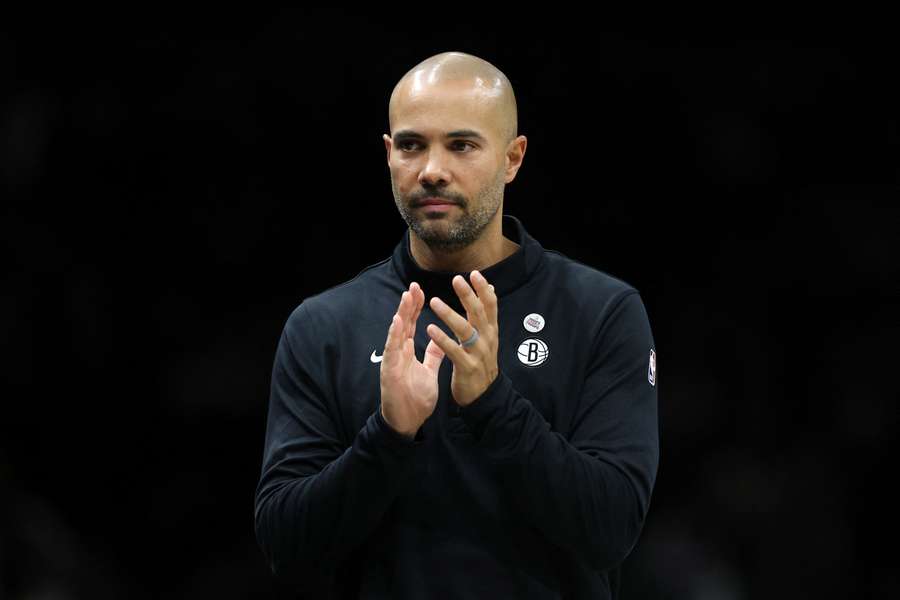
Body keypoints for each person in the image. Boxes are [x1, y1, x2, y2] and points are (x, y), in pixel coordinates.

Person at [254, 51, 659, 599]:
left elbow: (611, 531)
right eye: (411, 145)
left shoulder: (600, 311)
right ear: (388, 154)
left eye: (462, 145)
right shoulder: (323, 326)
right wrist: (388, 437)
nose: (432, 170)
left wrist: (493, 405)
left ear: (513, 158)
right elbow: (286, 549)